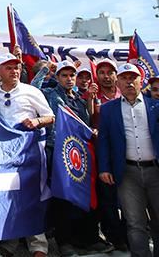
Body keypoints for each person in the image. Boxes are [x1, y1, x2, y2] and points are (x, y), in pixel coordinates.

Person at [43, 61, 112, 255]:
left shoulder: (81, 101)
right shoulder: (49, 94)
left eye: (72, 75)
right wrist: (45, 70)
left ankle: (88, 239)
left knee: (84, 195)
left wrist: (93, 129)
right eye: (64, 75)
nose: (69, 79)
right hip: (57, 152)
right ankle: (65, 242)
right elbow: (33, 87)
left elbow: (86, 124)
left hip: (78, 155)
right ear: (57, 77)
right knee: (62, 198)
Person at [0, 53, 52, 257]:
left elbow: (50, 116)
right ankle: (9, 243)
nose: (14, 71)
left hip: (30, 152)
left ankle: (38, 245)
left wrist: (36, 122)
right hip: (2, 155)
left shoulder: (31, 91)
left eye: (17, 67)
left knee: (32, 195)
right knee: (6, 197)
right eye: (8, 68)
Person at [97, 63, 159, 257]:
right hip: (127, 173)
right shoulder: (108, 109)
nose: (129, 82)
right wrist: (104, 168)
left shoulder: (155, 106)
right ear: (118, 82)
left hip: (156, 171)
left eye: (133, 78)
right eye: (124, 78)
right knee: (134, 222)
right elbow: (104, 140)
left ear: (141, 81)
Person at [92, 58, 128, 250]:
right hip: (104, 154)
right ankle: (115, 237)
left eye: (110, 72)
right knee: (108, 198)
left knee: (129, 197)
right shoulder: (92, 96)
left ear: (116, 75)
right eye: (102, 73)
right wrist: (89, 101)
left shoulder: (126, 95)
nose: (106, 77)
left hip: (127, 153)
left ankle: (131, 234)